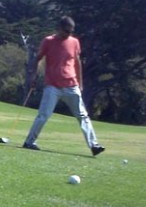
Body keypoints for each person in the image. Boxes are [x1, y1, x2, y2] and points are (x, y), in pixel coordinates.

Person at [23, 16, 105, 156]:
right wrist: (33, 77)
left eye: (70, 31)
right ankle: (29, 142)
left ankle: (94, 145)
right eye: (66, 31)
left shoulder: (74, 42)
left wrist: (80, 83)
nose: (68, 34)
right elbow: (38, 59)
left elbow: (77, 62)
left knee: (83, 116)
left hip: (71, 85)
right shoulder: (48, 41)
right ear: (59, 28)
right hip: (52, 86)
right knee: (44, 115)